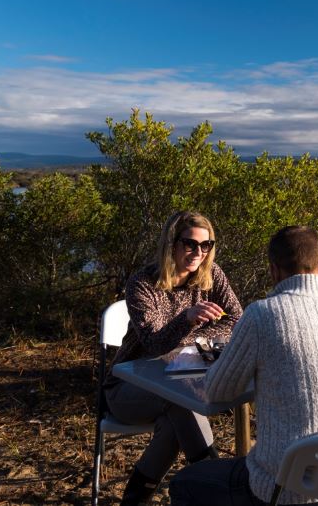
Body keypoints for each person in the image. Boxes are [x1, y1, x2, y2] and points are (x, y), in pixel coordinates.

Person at [169, 225, 318, 506]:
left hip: (287, 489)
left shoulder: (262, 315)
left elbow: (216, 392)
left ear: (274, 270)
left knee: (185, 483)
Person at [104, 210, 243, 505]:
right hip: (126, 388)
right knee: (181, 401)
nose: (199, 252)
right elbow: (154, 344)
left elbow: (235, 321)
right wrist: (189, 319)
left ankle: (134, 499)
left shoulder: (211, 275)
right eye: (190, 244)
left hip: (178, 380)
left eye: (206, 245)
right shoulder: (142, 284)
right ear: (171, 243)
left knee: (174, 424)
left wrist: (188, 341)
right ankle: (216, 485)